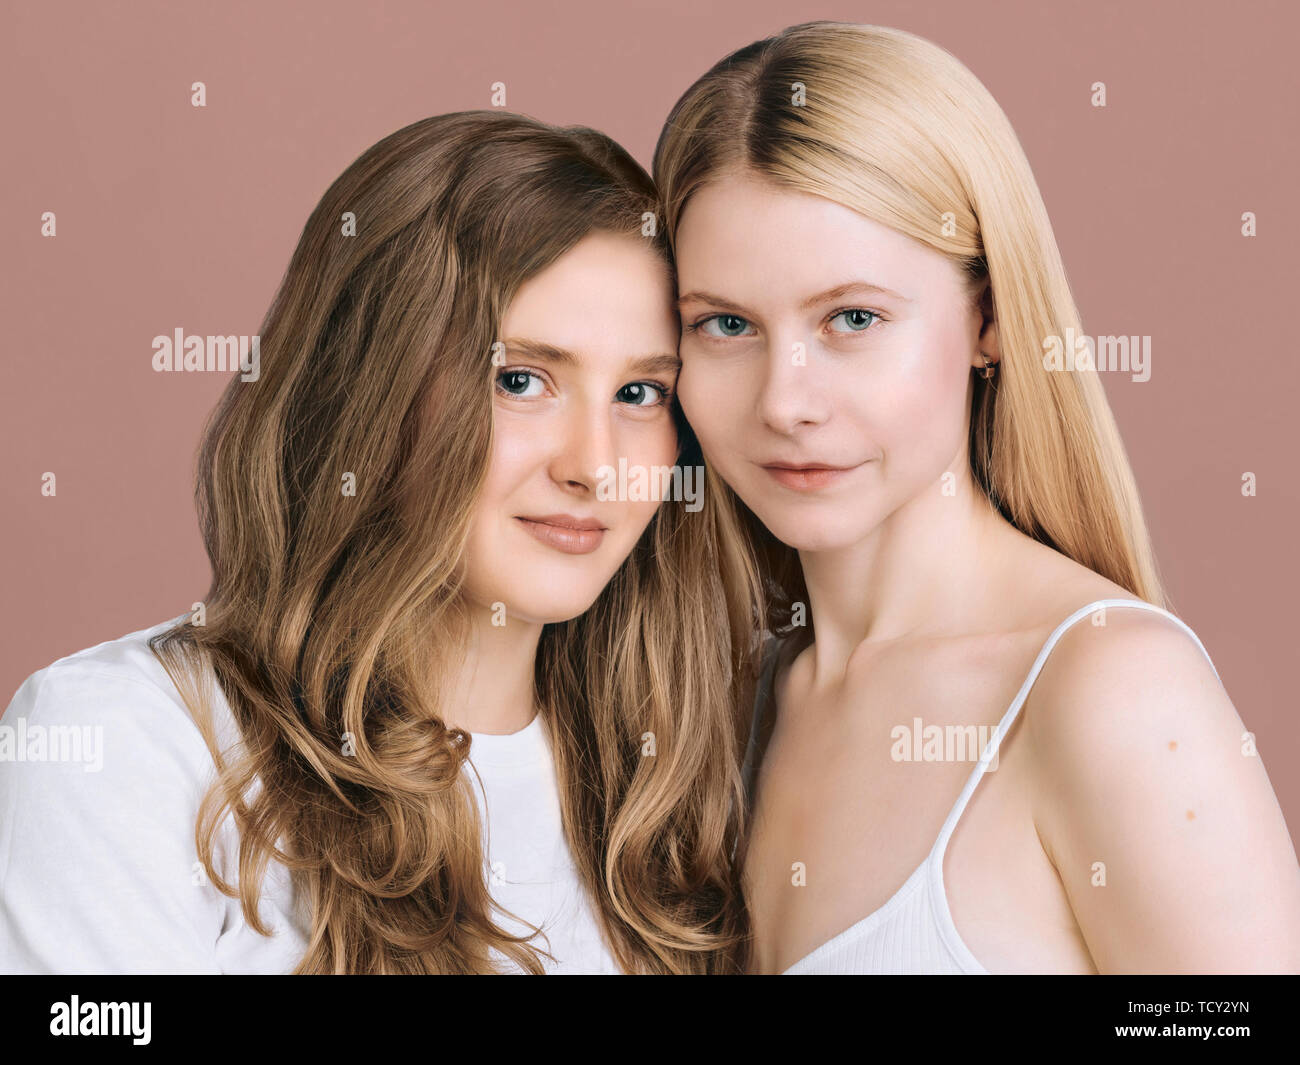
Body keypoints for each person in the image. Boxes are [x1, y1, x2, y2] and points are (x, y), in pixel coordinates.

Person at [0, 111, 752, 974]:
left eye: (641, 394)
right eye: (519, 379)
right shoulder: (122, 744)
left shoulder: (689, 788)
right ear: (371, 387)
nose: (595, 468)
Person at [652, 21, 1300, 974]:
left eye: (854, 318)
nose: (785, 401)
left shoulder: (1111, 689)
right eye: (726, 324)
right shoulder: (725, 699)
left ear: (989, 320)